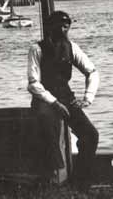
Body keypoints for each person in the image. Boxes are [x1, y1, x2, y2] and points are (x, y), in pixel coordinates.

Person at [27, 10, 99, 182]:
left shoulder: (72, 48)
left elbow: (92, 72)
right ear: (50, 28)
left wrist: (87, 98)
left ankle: (81, 181)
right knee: (49, 131)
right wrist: (54, 103)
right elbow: (33, 83)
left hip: (67, 98)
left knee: (90, 135)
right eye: (60, 26)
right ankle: (53, 179)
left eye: (67, 27)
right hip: (44, 101)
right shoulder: (36, 49)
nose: (64, 30)